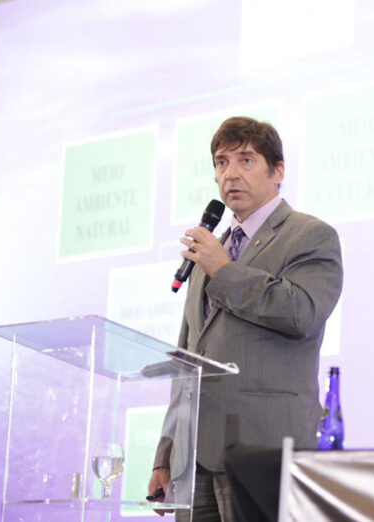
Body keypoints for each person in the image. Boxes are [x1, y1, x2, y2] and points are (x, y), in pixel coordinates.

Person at [148, 116, 343, 521]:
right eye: (221, 162)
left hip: (264, 448)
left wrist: (224, 270)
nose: (230, 174)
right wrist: (166, 454)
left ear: (278, 171)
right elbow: (188, 356)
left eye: (246, 160)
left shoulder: (310, 235)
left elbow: (302, 312)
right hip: (193, 458)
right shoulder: (210, 251)